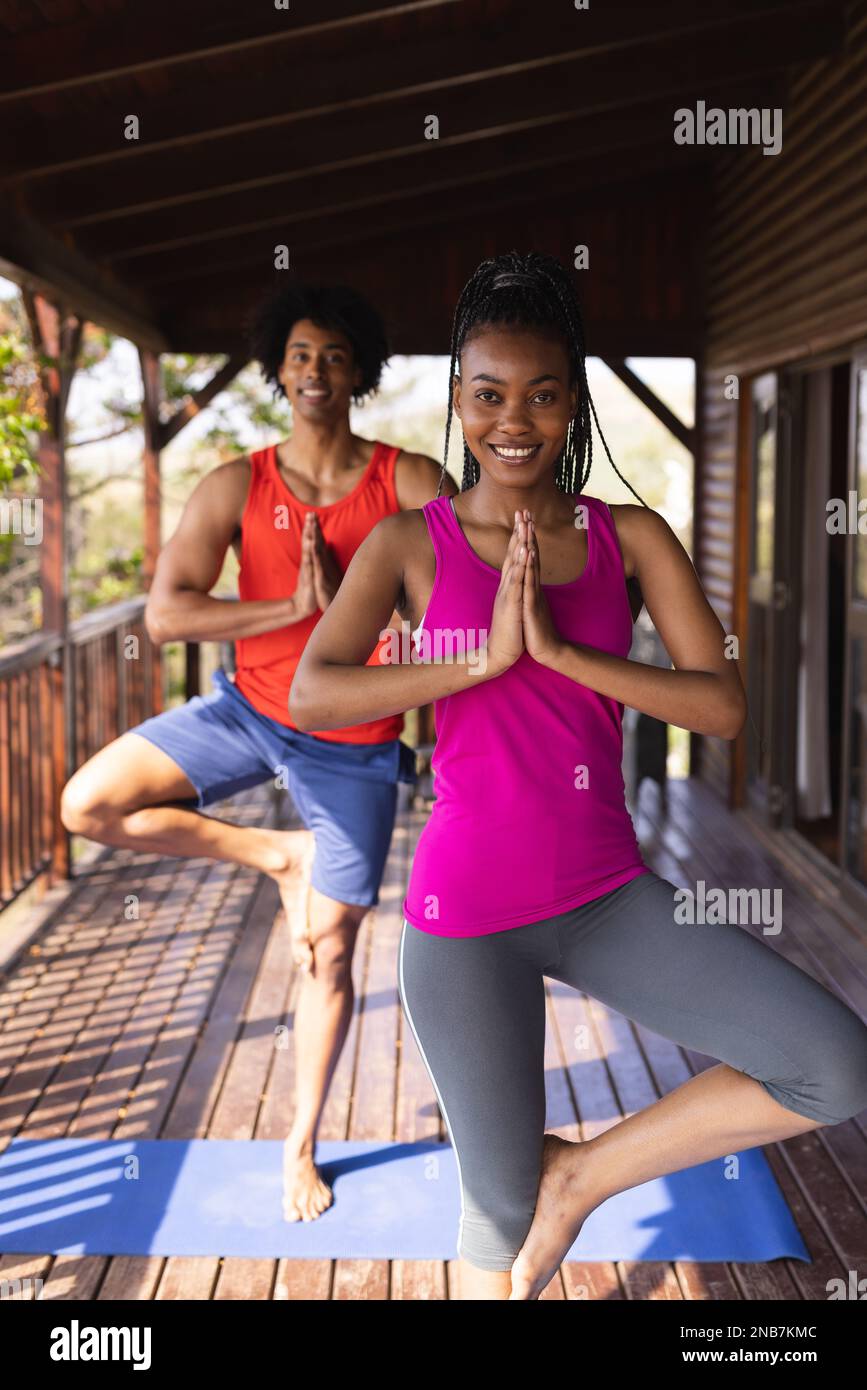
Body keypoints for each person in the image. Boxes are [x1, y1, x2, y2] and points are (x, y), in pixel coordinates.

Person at [289, 251, 867, 1300]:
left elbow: (722, 704)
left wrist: (562, 655)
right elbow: (314, 693)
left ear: (573, 402)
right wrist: (474, 661)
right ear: (458, 399)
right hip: (463, 916)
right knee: (497, 1219)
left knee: (834, 1064)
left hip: (607, 896)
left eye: (542, 394)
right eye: (488, 393)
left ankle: (585, 1175)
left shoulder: (630, 537)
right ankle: (536, 1191)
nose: (515, 419)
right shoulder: (408, 543)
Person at [60, 281, 457, 1224]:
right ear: (279, 368)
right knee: (88, 804)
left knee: (324, 953)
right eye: (299, 355)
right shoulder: (236, 483)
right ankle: (277, 855)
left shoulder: (408, 481)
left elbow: (455, 609)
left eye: (333, 355)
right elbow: (165, 615)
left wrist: (412, 635)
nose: (315, 370)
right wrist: (288, 609)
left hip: (355, 740)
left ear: (359, 370)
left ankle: (299, 1144)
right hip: (247, 709)